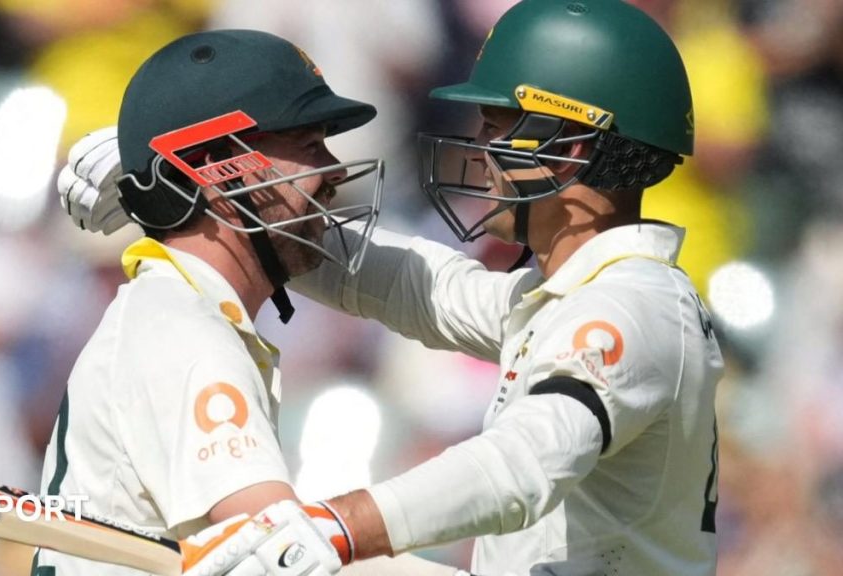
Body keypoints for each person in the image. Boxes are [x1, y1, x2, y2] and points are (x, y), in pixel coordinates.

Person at [173, 1, 725, 575]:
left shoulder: (628, 308)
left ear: (570, 150)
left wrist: (339, 527)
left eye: (496, 129)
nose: (481, 155)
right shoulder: (578, 295)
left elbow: (523, 465)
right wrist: (197, 186)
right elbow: (414, 285)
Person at [38, 29, 468, 576]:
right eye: (311, 147)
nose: (335, 170)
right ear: (219, 169)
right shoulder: (185, 337)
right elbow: (287, 560)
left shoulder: (184, 311)